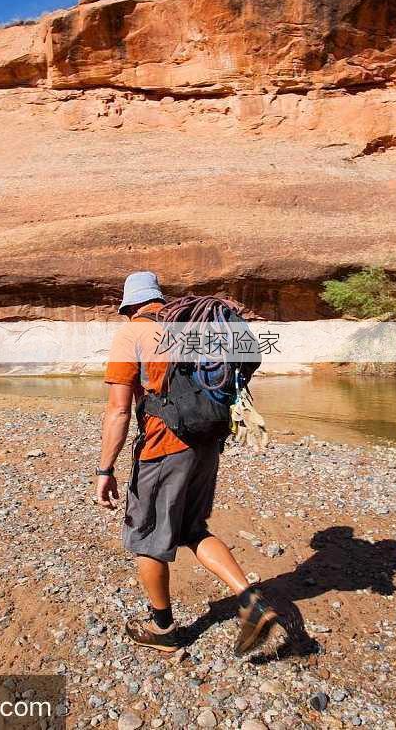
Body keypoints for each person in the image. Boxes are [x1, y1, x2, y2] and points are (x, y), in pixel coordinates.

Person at [95, 271, 276, 655]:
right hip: (207, 442)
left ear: (129, 307)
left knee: (147, 538)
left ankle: (162, 628)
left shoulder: (132, 334)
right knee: (192, 527)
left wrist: (105, 469)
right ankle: (249, 599)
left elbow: (118, 411)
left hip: (165, 446)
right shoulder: (191, 326)